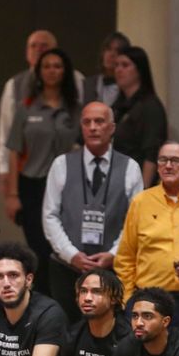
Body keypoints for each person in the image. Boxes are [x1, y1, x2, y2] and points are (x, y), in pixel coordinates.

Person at [42, 101, 143, 322]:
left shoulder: (131, 168)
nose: (93, 127)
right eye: (87, 122)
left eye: (99, 121)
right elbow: (50, 215)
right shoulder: (61, 164)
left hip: (112, 269)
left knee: (109, 333)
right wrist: (71, 254)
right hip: (66, 268)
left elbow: (135, 222)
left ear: (112, 127)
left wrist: (114, 254)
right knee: (66, 333)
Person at [5, 48, 80, 294]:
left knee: (61, 248)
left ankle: (64, 302)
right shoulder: (26, 107)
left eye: (57, 66)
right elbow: (14, 151)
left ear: (65, 71)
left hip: (67, 188)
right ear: (39, 72)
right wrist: (12, 194)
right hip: (32, 185)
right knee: (38, 248)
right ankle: (41, 302)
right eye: (46, 66)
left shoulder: (75, 109)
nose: (52, 71)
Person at [0, 30, 84, 196]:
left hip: (69, 174)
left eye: (44, 46)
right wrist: (4, 171)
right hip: (31, 173)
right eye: (33, 46)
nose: (38, 49)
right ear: (26, 52)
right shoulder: (14, 85)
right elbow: (6, 134)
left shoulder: (77, 80)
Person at [115, 141, 179, 329]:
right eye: (163, 160)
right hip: (147, 300)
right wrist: (128, 301)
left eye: (175, 160)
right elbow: (125, 256)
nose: (168, 165)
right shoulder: (141, 202)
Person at [111, 45, 167, 187]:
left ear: (140, 70)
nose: (119, 70)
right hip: (115, 180)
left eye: (125, 65)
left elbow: (152, 154)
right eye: (116, 65)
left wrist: (143, 192)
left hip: (137, 182)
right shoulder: (118, 106)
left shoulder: (150, 106)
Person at [82, 32, 131, 105]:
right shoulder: (87, 85)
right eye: (108, 49)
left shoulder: (128, 88)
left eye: (117, 51)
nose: (111, 54)